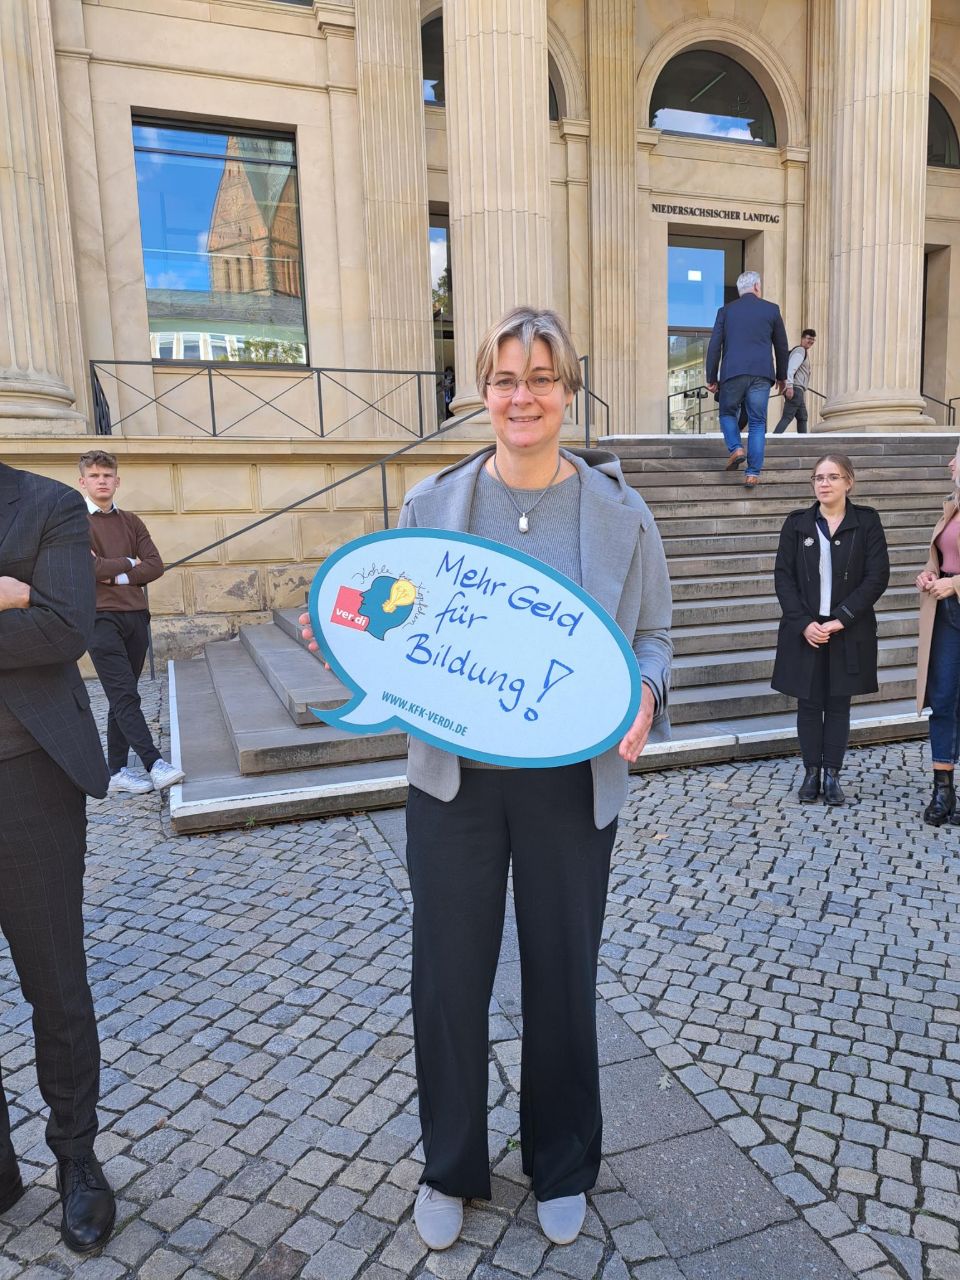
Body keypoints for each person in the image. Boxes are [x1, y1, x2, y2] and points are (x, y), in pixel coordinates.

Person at [301, 307, 672, 1250]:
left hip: (569, 786)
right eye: (505, 379)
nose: (522, 396)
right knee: (448, 979)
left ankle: (561, 1162)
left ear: (568, 392)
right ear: (481, 392)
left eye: (541, 378)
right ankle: (451, 1164)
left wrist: (646, 696)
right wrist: (350, 640)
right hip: (453, 782)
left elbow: (656, 638)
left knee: (562, 978)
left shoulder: (622, 515)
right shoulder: (431, 508)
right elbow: (393, 623)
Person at [0, 461, 117, 1253]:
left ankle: (77, 1161)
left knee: (57, 989)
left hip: (29, 783)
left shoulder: (47, 504)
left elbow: (63, 628)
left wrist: (31, 605)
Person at [771, 454, 889, 805]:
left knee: (838, 703)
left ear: (848, 482)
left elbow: (877, 576)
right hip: (804, 628)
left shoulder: (866, 522)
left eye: (833, 477)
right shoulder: (797, 524)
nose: (824, 483)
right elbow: (783, 578)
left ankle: (832, 775)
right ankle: (811, 773)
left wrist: (842, 618)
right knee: (808, 703)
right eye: (818, 477)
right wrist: (805, 623)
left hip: (848, 629)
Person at [79, 450, 184, 794]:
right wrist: (127, 561)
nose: (102, 481)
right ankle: (154, 763)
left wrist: (117, 574)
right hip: (99, 619)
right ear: (83, 482)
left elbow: (155, 565)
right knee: (124, 694)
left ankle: (116, 772)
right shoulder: (76, 522)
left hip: (135, 617)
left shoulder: (132, 521)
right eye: (94, 476)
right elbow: (88, 569)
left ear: (117, 480)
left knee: (122, 695)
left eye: (107, 476)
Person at [705, 270, 789, 486]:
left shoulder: (726, 311)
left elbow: (714, 346)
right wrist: (782, 377)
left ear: (740, 289)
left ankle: (736, 448)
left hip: (732, 372)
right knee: (758, 422)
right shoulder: (771, 309)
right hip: (761, 374)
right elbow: (781, 346)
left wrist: (711, 376)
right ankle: (752, 473)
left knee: (727, 412)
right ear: (757, 287)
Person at [915, 443, 960, 825]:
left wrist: (957, 584)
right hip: (946, 613)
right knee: (943, 696)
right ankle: (942, 789)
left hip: (954, 598)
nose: (950, 461)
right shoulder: (953, 505)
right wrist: (931, 573)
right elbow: (942, 556)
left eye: (957, 455)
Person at [773, 329, 817, 434]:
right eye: (808, 338)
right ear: (802, 338)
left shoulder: (800, 351)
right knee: (788, 416)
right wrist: (789, 386)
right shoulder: (800, 351)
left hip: (798, 389)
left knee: (802, 416)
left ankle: (803, 441)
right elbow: (791, 368)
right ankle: (774, 438)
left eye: (813, 339)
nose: (810, 341)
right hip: (795, 388)